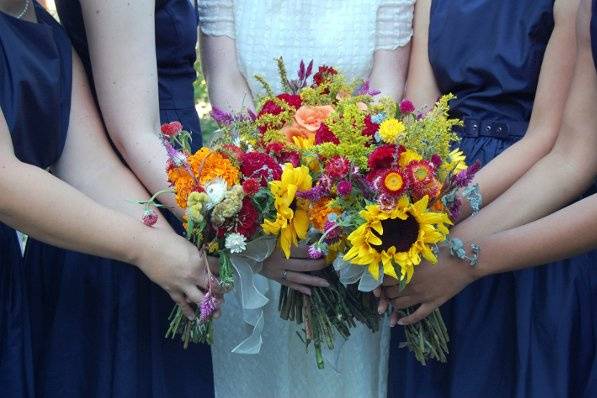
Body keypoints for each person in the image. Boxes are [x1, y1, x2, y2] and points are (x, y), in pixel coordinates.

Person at [199, 1, 414, 396]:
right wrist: (272, 176)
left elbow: (385, 90)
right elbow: (224, 83)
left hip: (345, 214)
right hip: (257, 211)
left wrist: (329, 177)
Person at [0, 0, 213, 396]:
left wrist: (181, 250)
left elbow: (94, 170)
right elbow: (5, 181)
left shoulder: (43, 27)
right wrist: (144, 250)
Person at [385, 0, 596, 397]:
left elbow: (547, 140)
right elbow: (421, 119)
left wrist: (449, 218)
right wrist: (407, 204)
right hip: (448, 178)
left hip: (523, 197)